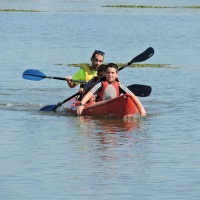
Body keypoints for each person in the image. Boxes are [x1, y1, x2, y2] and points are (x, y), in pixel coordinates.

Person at [77, 63, 146, 116]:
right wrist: (81, 105)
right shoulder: (100, 84)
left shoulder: (120, 85)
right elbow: (90, 94)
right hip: (100, 106)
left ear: (116, 75)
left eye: (112, 73)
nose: (110, 75)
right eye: (108, 73)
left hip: (114, 106)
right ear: (105, 74)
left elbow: (132, 95)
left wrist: (141, 109)